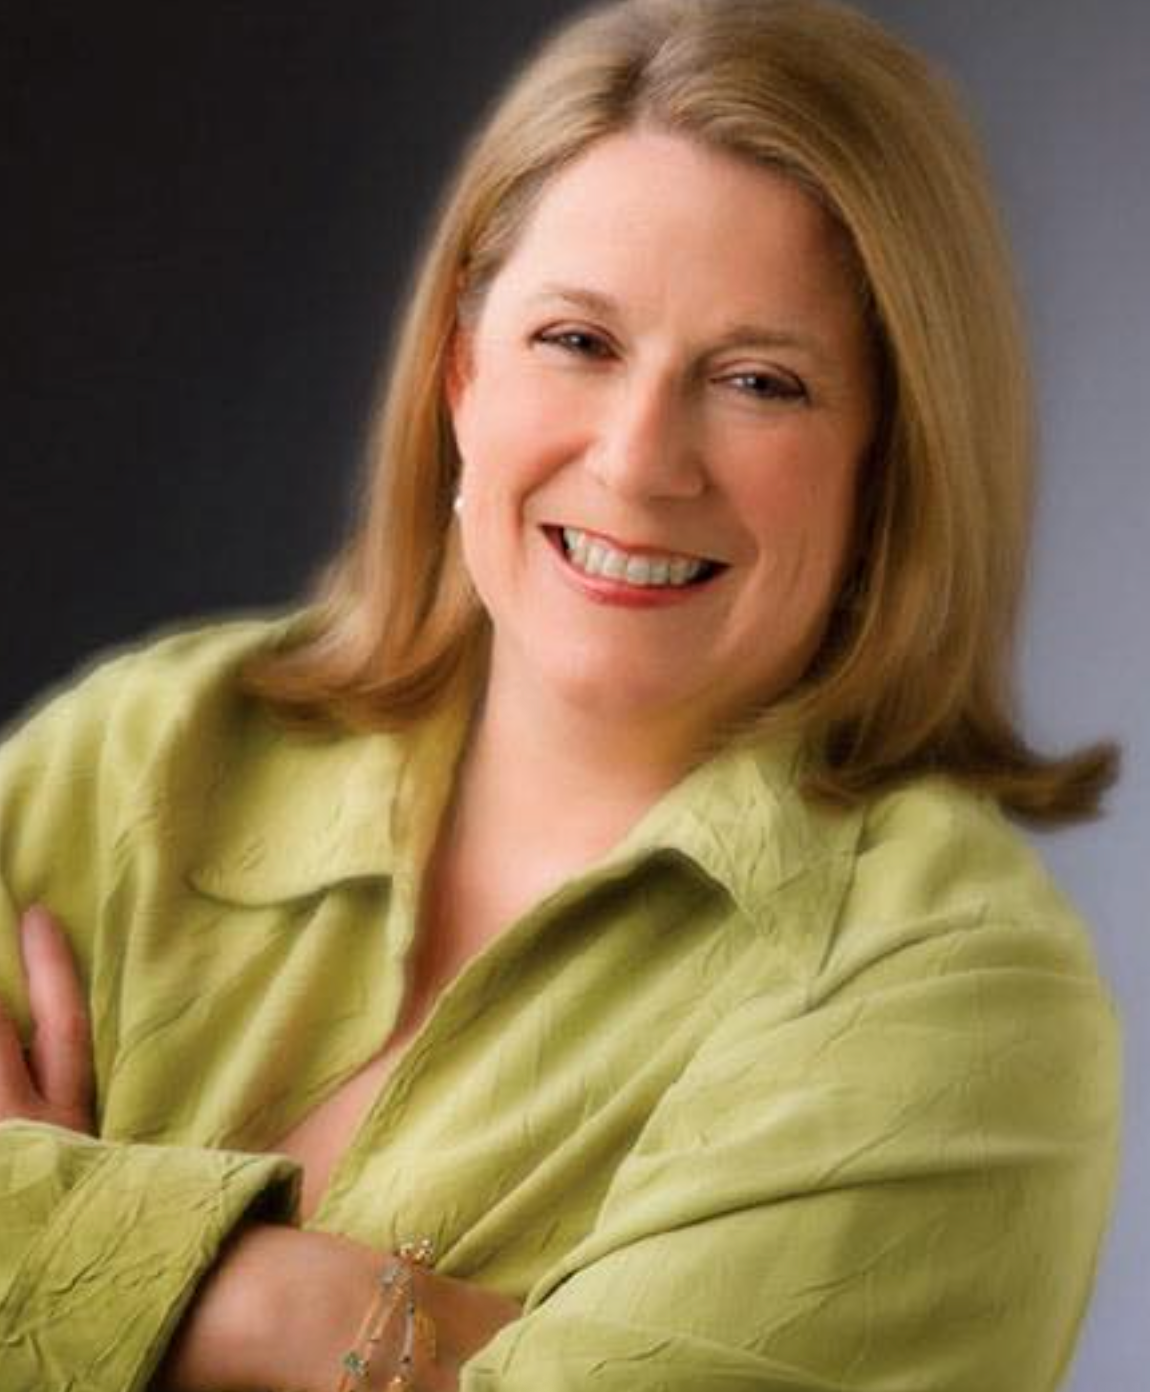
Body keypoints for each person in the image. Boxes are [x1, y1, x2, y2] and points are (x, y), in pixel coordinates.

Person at [0, 0, 1123, 1388]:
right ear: (461, 374)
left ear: (890, 464)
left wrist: (100, 1259)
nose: (641, 461)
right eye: (578, 342)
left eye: (758, 381)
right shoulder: (149, 748)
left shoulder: (956, 996)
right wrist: (385, 1330)